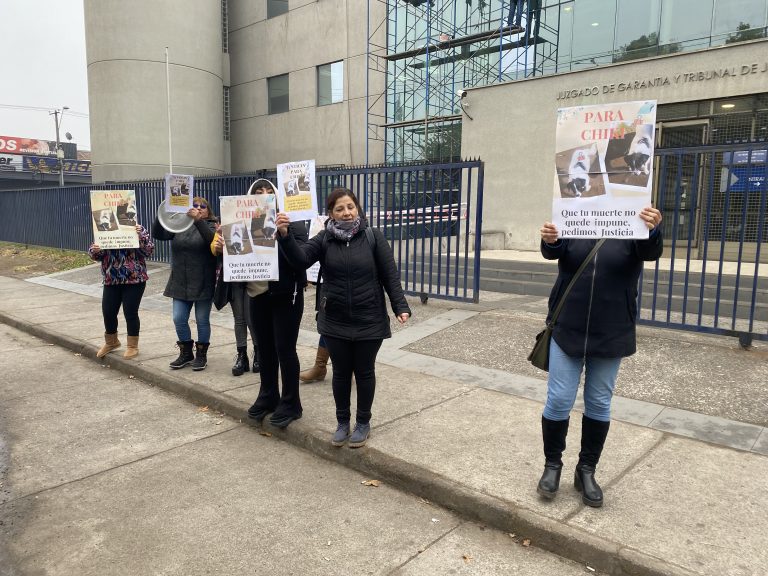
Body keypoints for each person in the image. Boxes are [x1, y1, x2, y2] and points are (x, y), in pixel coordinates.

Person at [536, 206, 663, 508]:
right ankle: (552, 465)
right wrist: (551, 239)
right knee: (558, 399)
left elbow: (650, 251)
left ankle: (586, 470)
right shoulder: (575, 213)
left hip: (612, 329)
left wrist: (653, 229)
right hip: (568, 326)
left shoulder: (633, 219)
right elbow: (554, 253)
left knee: (599, 401)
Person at [276, 188, 411, 448]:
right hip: (335, 319)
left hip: (369, 317)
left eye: (350, 206)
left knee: (364, 372)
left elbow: (389, 275)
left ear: (357, 208)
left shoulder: (373, 237)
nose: (346, 212)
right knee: (340, 373)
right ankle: (342, 422)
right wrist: (284, 235)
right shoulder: (324, 239)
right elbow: (301, 260)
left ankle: (363, 422)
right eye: (339, 208)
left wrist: (399, 305)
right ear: (331, 214)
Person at [242, 179, 308, 429]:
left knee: (285, 349)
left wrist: (284, 233)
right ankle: (268, 396)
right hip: (256, 293)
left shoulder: (292, 222)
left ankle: (291, 403)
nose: (264, 196)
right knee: (265, 349)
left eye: (269, 191)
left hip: (285, 295)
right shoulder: (243, 221)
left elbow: (301, 260)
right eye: (258, 192)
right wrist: (222, 243)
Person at [152, 196, 218, 371]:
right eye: (194, 205)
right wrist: (162, 214)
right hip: (180, 281)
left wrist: (198, 221)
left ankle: (201, 355)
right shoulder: (180, 225)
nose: (197, 208)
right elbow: (159, 234)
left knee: (202, 320)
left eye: (202, 206)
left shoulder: (212, 225)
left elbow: (212, 241)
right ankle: (186, 353)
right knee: (179, 318)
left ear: (208, 210)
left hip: (203, 281)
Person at [89, 223, 154, 359]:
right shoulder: (104, 228)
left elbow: (148, 251)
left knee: (130, 312)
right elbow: (95, 255)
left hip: (134, 279)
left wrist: (140, 235)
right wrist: (95, 250)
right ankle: (112, 342)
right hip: (111, 279)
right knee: (108, 311)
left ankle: (132, 346)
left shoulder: (137, 229)